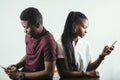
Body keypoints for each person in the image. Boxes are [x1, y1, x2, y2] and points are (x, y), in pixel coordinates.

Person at [56, 11, 115, 79]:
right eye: (84, 27)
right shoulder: (60, 44)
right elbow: (63, 73)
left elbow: (89, 68)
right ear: (74, 26)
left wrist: (102, 56)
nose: (86, 31)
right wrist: (86, 74)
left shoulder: (85, 44)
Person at [5, 7, 56, 80]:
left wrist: (19, 75)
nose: (24, 31)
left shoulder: (48, 41)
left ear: (37, 25)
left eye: (27, 27)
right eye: (23, 27)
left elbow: (49, 73)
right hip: (25, 74)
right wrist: (16, 66)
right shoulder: (29, 35)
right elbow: (30, 55)